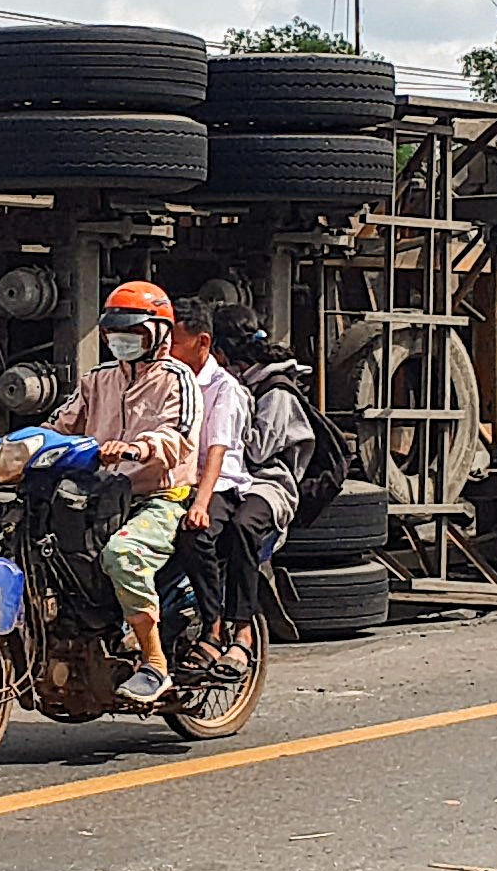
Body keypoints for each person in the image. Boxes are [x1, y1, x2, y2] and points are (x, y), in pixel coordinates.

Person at [43, 281, 198, 707]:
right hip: (97, 495)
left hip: (160, 497)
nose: (122, 340)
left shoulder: (177, 379)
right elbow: (59, 425)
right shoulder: (97, 380)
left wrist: (138, 448)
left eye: (134, 331)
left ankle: (154, 665)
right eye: (115, 331)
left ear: (160, 334)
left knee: (121, 557)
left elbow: (178, 436)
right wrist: (17, 446)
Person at [206, 303, 316, 658]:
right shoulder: (231, 383)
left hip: (269, 483)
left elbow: (257, 451)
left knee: (242, 526)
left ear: (221, 352)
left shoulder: (276, 390)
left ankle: (240, 625)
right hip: (233, 476)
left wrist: (224, 422)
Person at [166, 299, 253, 680]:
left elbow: (216, 451)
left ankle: (214, 627)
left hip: (216, 484)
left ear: (203, 342)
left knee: (194, 535)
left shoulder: (223, 388)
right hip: (172, 481)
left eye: (176, 344)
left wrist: (200, 503)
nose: (167, 351)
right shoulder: (166, 379)